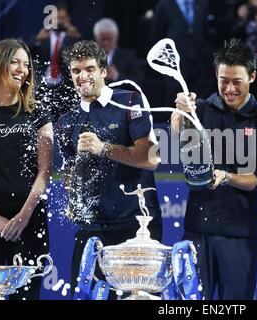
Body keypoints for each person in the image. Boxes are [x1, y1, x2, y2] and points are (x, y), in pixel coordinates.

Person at [171, 38, 257, 300]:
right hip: (197, 230)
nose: (229, 88)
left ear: (252, 76)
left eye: (237, 81)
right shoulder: (201, 110)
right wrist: (180, 112)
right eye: (223, 80)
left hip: (240, 234)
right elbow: (177, 136)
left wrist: (227, 177)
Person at [56, 40, 162, 296]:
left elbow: (152, 158)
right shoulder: (67, 120)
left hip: (136, 227)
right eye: (76, 71)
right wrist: (73, 199)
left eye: (89, 69)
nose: (82, 77)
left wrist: (104, 147)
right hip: (91, 229)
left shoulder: (130, 101)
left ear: (104, 71)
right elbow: (70, 170)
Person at [0, 39, 53, 300]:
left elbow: (45, 171)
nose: (22, 69)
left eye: (26, 64)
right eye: (15, 62)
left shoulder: (37, 113)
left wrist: (24, 216)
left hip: (30, 220)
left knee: (28, 295)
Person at [93, 18, 144, 85]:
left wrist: (117, 76)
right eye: (103, 39)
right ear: (96, 39)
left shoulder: (128, 56)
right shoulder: (90, 57)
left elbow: (139, 81)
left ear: (116, 38)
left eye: (109, 39)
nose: (106, 43)